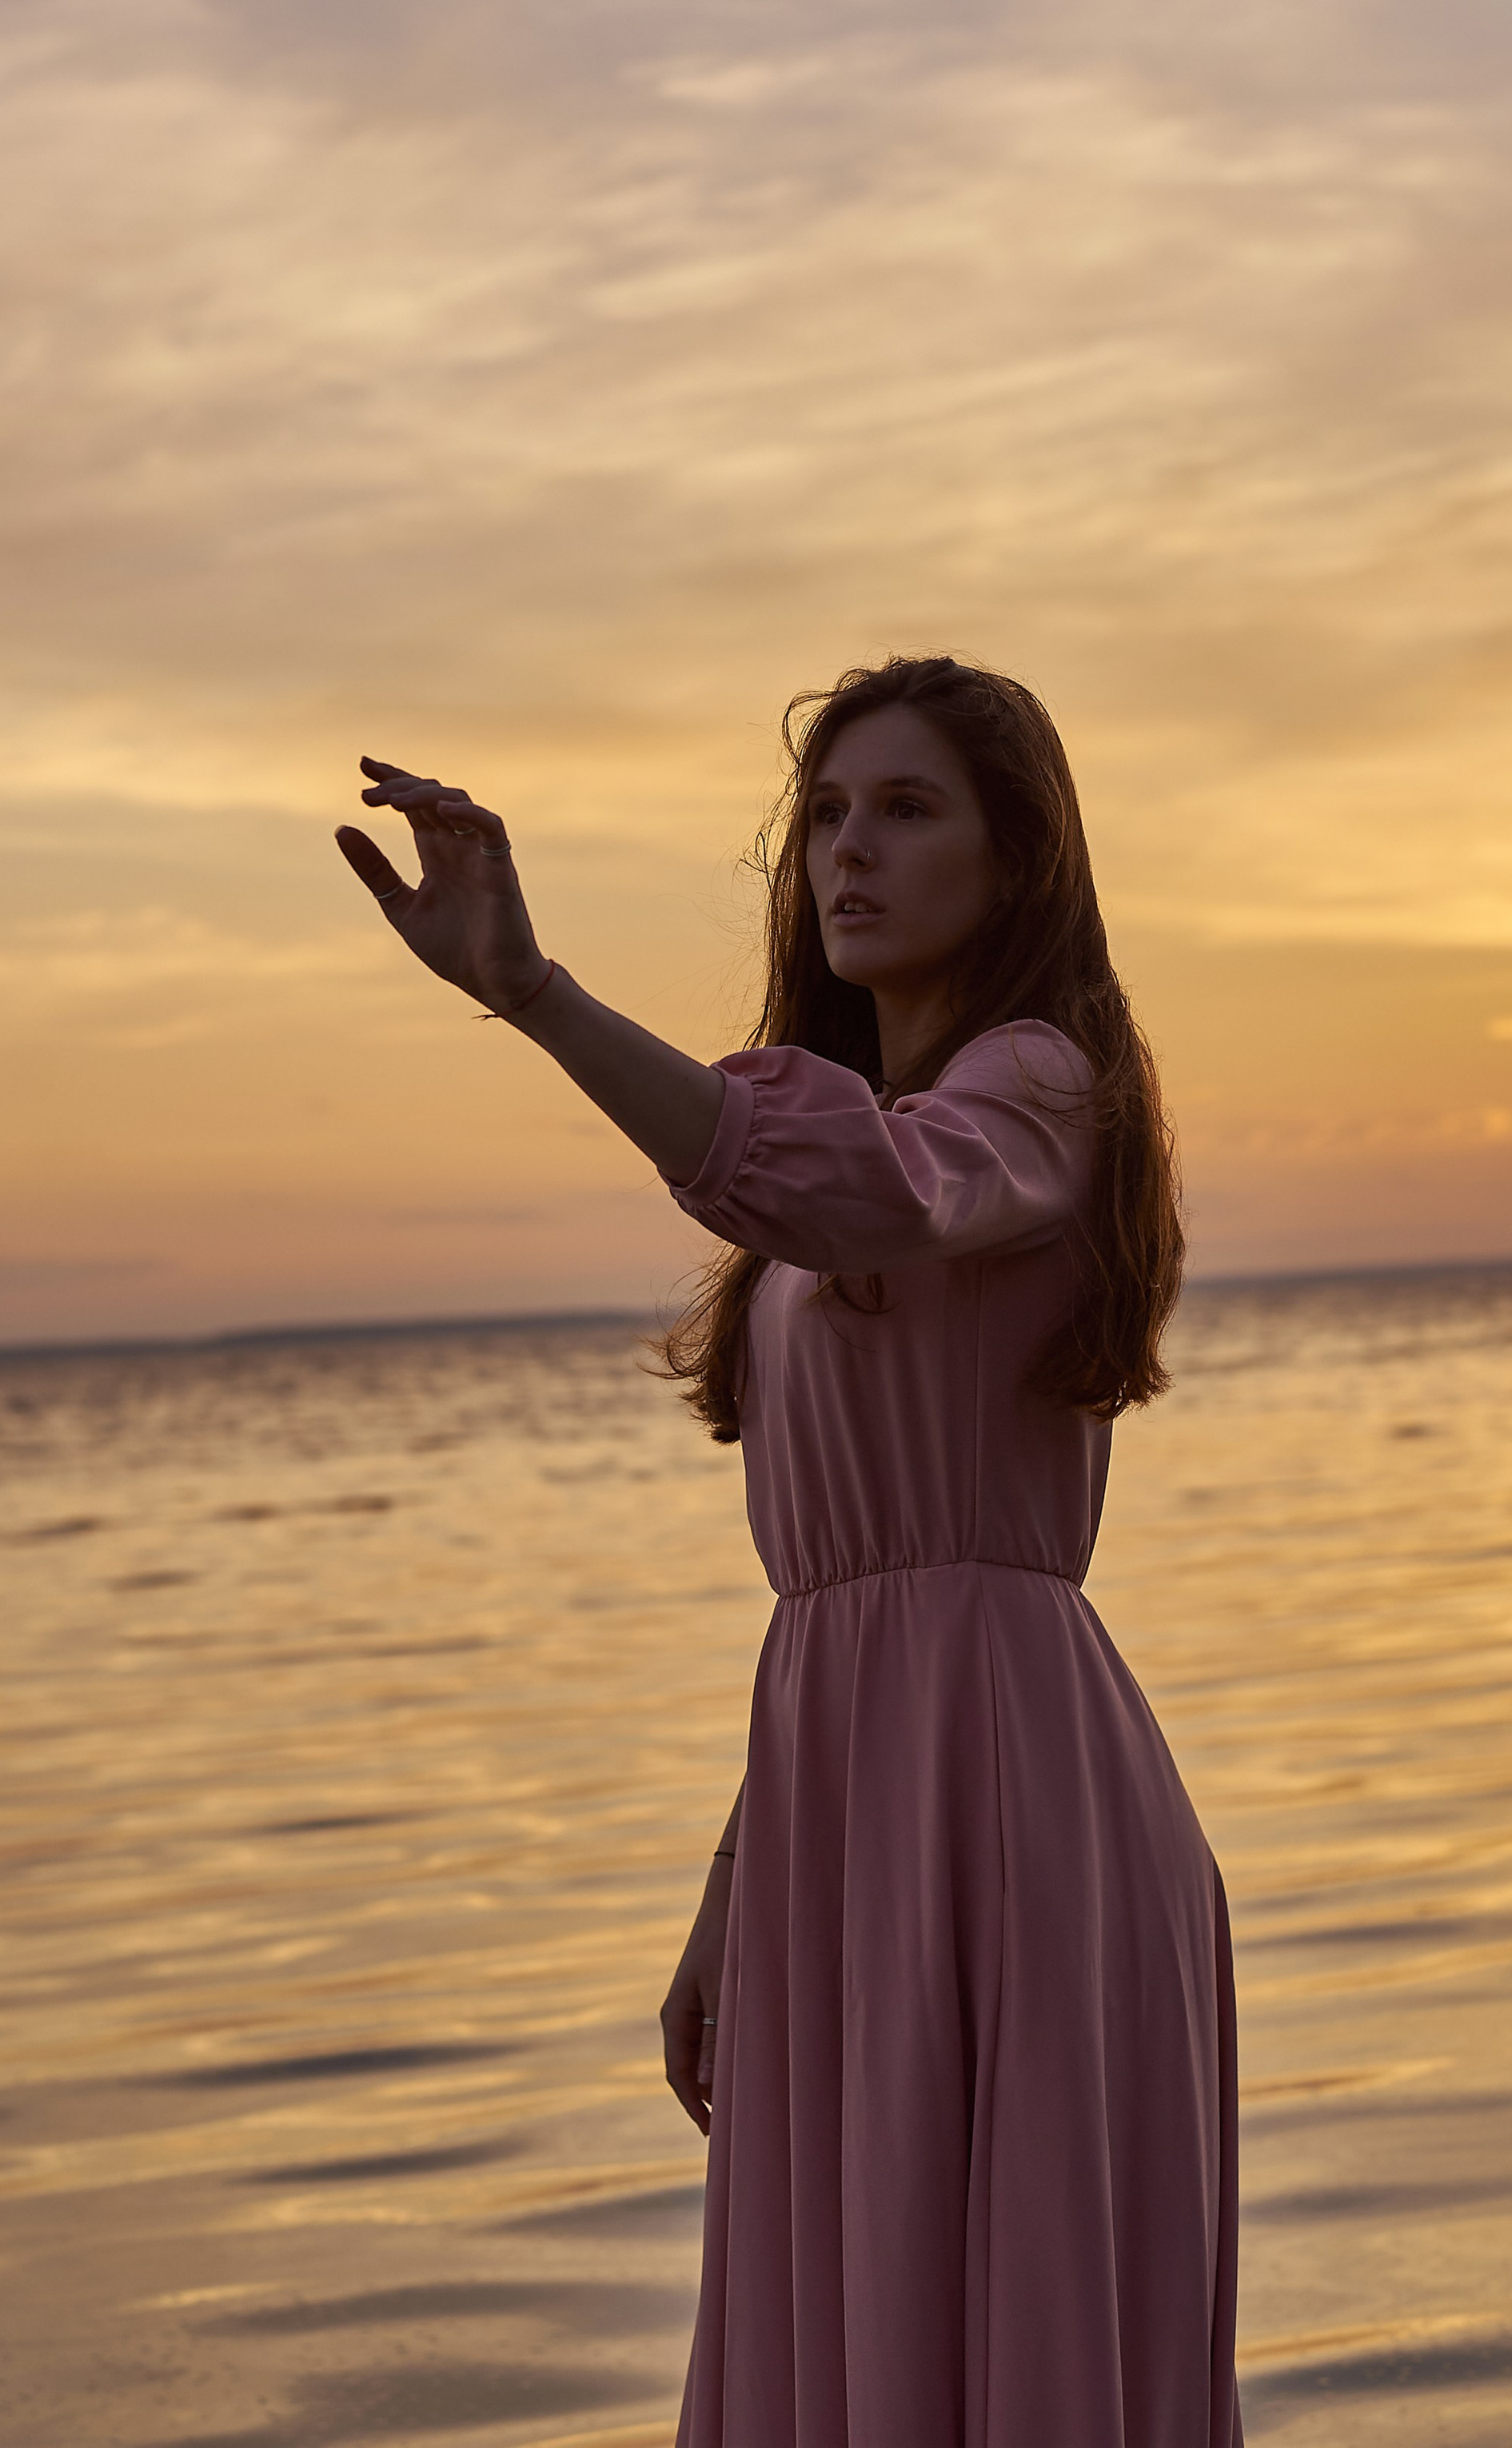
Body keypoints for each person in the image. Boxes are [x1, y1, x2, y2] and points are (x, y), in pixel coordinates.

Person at [336, 652, 1243, 2448]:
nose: (848, 851)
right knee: (841, 2339)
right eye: (826, 813)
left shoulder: (1036, 1092)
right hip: (837, 1801)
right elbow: (828, 1598)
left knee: (1003, 2327)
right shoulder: (860, 1127)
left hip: (1008, 1801)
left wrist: (533, 994)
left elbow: (877, 1198)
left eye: (906, 810)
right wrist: (733, 1876)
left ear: (1019, 860)